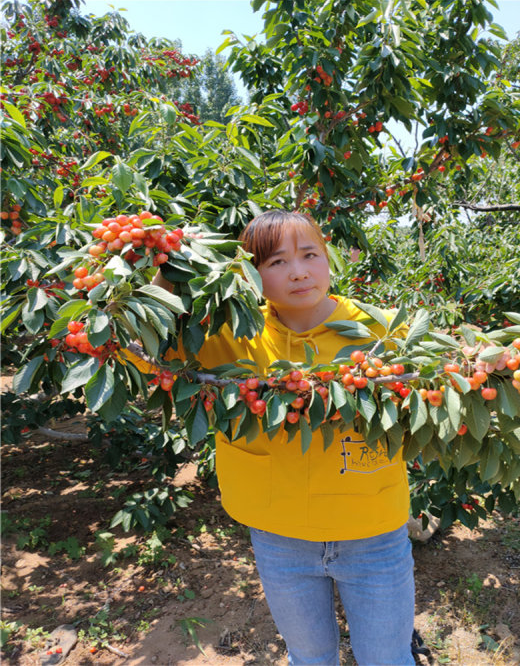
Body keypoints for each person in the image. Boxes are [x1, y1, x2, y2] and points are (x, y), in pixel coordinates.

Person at [126, 210, 415, 665]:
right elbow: (150, 354)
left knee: (388, 658)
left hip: (373, 532)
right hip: (281, 537)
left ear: (329, 259)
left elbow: (437, 387)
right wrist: (161, 275)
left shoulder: (382, 331)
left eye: (310, 255)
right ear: (250, 274)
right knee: (309, 657)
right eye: (276, 262)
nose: (298, 271)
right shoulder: (232, 332)